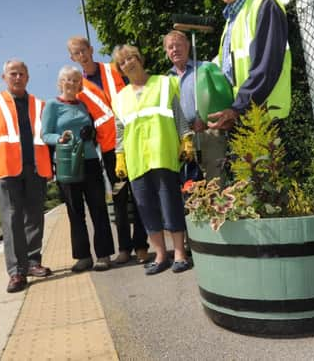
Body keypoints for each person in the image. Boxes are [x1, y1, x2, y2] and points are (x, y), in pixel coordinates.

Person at [112, 44, 194, 275]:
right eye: (123, 62)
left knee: (170, 204)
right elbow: (120, 130)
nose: (128, 63)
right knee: (146, 208)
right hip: (137, 160)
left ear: (140, 58)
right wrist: (120, 157)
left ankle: (179, 253)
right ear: (121, 69)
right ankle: (160, 255)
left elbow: (178, 115)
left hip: (163, 154)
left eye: (131, 58)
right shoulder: (119, 99)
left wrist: (186, 139)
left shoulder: (164, 83)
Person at [67, 36, 150, 265]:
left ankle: (142, 245)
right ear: (72, 57)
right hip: (110, 149)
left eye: (84, 50)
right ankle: (124, 247)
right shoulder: (78, 86)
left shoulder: (114, 68)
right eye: (76, 53)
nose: (82, 55)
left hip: (134, 139)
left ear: (91, 49)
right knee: (120, 197)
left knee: (140, 193)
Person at [0, 59, 53, 293]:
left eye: (22, 73)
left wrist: (49, 165)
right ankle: (16, 272)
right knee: (12, 222)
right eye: (13, 73)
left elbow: (47, 136)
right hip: (7, 172)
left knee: (34, 218)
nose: (18, 77)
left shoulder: (40, 104)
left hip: (35, 170)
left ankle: (33, 262)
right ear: (4, 78)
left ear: (28, 77)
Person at [41, 65, 115, 272]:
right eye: (67, 79)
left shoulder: (85, 104)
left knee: (98, 209)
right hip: (67, 165)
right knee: (75, 212)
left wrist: (90, 133)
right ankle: (83, 257)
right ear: (59, 83)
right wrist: (60, 138)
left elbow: (97, 129)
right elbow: (45, 134)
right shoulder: (52, 106)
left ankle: (104, 254)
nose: (72, 83)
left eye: (75, 80)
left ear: (80, 84)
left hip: (90, 160)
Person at [208, 0, 291, 130]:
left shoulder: (263, 5)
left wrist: (237, 108)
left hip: (266, 117)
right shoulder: (230, 22)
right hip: (244, 118)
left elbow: (266, 67)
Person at [163, 30, 225, 180]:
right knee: (191, 189)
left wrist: (205, 119)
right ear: (166, 52)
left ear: (188, 46)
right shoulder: (165, 81)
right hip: (183, 141)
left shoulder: (205, 68)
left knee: (215, 183)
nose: (175, 50)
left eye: (178, 45)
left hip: (209, 133)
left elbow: (222, 98)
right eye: (170, 47)